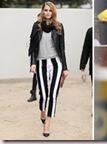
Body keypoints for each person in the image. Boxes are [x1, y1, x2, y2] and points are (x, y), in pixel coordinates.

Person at [28, 1, 68, 137]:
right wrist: (32, 63)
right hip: (40, 63)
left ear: (53, 12)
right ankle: (42, 110)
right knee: (44, 94)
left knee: (53, 94)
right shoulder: (36, 26)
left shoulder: (59, 26)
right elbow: (32, 47)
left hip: (56, 63)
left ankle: (47, 124)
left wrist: (65, 68)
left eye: (50, 10)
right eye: (45, 10)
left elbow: (62, 49)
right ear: (42, 11)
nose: (47, 13)